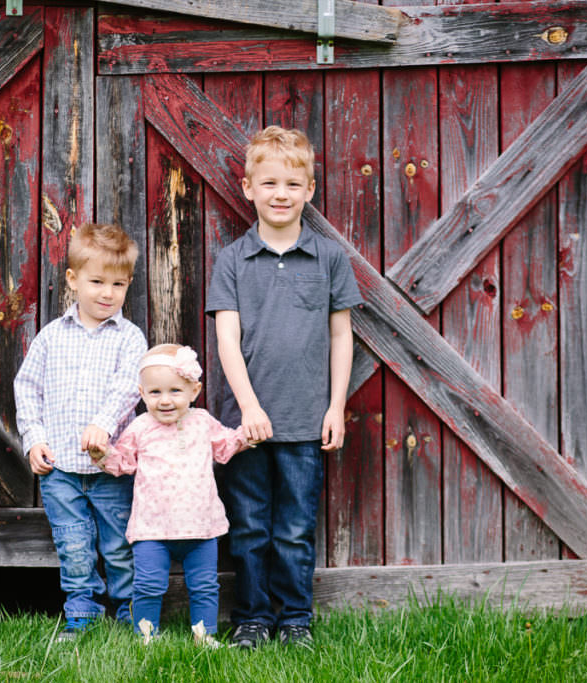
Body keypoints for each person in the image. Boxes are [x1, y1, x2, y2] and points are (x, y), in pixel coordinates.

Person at [205, 126, 364, 649]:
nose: (280, 194)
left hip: (304, 420)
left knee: (294, 529)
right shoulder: (231, 261)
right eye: (269, 182)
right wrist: (247, 408)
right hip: (245, 425)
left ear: (310, 190)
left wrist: (336, 406)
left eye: (292, 184)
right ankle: (251, 618)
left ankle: (296, 619)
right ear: (248, 187)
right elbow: (228, 341)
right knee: (249, 528)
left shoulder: (328, 258)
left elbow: (341, 335)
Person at [13, 222, 147, 640]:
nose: (107, 293)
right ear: (73, 280)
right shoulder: (51, 338)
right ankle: (82, 611)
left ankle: (128, 610)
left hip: (111, 470)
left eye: (118, 284)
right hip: (62, 471)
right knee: (73, 546)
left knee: (120, 547)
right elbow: (27, 388)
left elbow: (130, 385)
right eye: (97, 282)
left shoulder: (129, 338)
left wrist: (103, 425)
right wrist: (34, 439)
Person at [89, 344, 254, 648]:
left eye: (175, 391)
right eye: (155, 393)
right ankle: (146, 635)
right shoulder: (140, 427)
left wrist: (246, 435)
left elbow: (224, 446)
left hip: (201, 526)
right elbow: (123, 462)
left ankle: (204, 636)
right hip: (153, 528)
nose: (165, 401)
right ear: (142, 392)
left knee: (204, 586)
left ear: (194, 390)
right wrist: (102, 453)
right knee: (149, 584)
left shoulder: (202, 421)